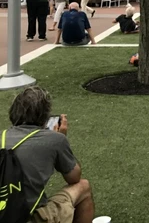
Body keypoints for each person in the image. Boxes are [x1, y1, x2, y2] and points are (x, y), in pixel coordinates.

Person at [3, 87, 95, 223]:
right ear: (45, 116)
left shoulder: (2, 136)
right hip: (29, 218)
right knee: (84, 187)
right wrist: (62, 139)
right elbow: (74, 177)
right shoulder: (55, 140)